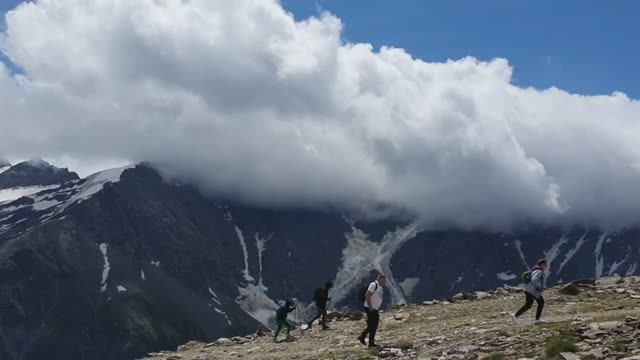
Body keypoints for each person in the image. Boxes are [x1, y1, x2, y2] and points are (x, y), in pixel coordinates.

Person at [513, 259, 547, 324]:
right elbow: (534, 280)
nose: (545, 266)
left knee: (528, 305)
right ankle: (537, 319)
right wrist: (539, 287)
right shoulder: (539, 271)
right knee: (541, 302)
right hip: (533, 291)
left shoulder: (534, 270)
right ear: (542, 265)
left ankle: (515, 316)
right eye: (545, 265)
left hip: (527, 290)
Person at [358, 274, 386, 348]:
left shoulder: (380, 287)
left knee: (373, 325)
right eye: (384, 280)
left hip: (374, 308)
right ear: (380, 279)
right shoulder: (373, 284)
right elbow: (367, 295)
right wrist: (370, 306)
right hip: (370, 308)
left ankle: (364, 338)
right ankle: (369, 342)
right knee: (373, 325)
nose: (385, 282)